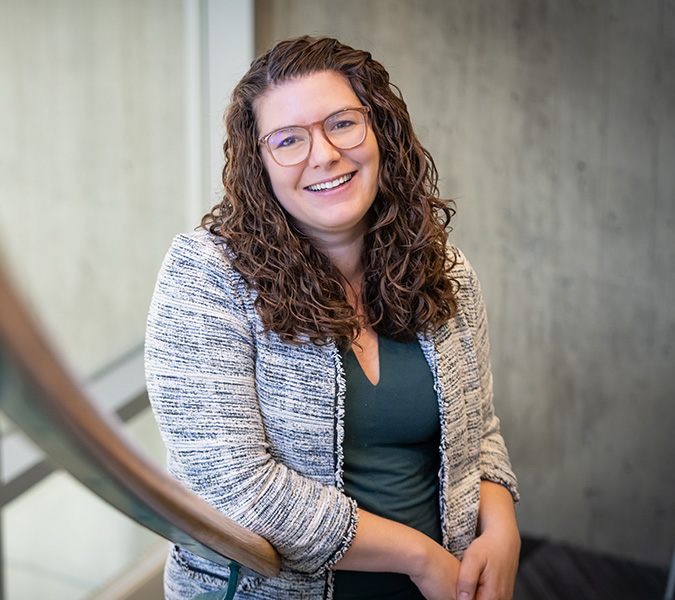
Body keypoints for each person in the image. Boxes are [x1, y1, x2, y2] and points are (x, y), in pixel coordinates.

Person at [145, 36, 519, 600]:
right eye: (289, 140)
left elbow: (480, 429)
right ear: (259, 165)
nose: (323, 154)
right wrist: (418, 558)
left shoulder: (444, 269)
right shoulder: (207, 276)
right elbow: (233, 488)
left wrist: (504, 528)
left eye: (342, 123)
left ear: (381, 133)